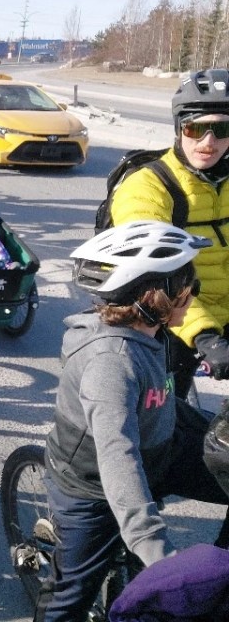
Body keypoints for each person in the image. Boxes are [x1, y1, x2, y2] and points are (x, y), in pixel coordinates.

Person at [41, 221, 229, 622]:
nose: (193, 295)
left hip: (160, 445)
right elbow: (117, 456)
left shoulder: (154, 328)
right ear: (153, 296)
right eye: (188, 288)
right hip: (93, 487)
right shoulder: (111, 363)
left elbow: (161, 402)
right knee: (67, 602)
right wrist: (153, 547)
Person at [110, 69, 229, 398]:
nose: (208, 142)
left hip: (224, 313)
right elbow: (152, 275)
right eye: (196, 128)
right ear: (179, 128)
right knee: (161, 420)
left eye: (221, 129)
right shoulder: (149, 186)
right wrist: (204, 335)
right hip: (171, 317)